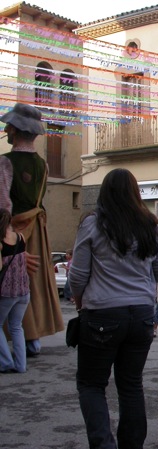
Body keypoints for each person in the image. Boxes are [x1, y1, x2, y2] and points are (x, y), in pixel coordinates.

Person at [69, 168, 158, 449]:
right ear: (135, 192)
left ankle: (104, 445)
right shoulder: (150, 225)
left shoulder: (92, 224)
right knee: (131, 384)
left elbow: (77, 277)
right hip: (141, 314)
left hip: (101, 313)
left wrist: (80, 301)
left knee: (92, 384)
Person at [0, 102, 62, 356]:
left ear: (14, 130)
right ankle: (32, 340)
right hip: (37, 228)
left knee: (9, 282)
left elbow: (3, 205)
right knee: (32, 283)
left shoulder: (5, 163)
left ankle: (18, 342)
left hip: (13, 230)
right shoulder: (43, 165)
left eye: (8, 126)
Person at [0, 208, 30, 373]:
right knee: (17, 326)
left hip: (6, 292)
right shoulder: (20, 237)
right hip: (24, 290)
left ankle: (5, 362)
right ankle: (21, 365)